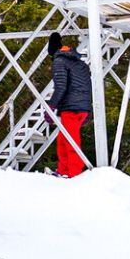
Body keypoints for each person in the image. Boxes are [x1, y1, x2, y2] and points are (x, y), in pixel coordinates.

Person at [47, 32, 91, 178]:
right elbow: (87, 86)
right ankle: (63, 170)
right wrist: (88, 108)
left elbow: (60, 86)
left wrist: (51, 107)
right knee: (63, 139)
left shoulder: (59, 61)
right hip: (80, 107)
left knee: (71, 142)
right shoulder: (80, 64)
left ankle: (74, 174)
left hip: (71, 108)